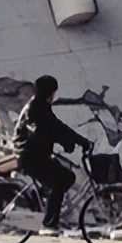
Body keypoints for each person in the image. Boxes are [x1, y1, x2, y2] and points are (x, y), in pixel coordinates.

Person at [13, 75, 92, 232]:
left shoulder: (40, 105)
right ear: (50, 92)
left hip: (36, 155)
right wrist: (66, 142)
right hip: (30, 157)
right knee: (61, 181)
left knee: (67, 177)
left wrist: (80, 140)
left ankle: (50, 210)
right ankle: (48, 224)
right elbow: (45, 131)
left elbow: (57, 126)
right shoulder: (36, 108)